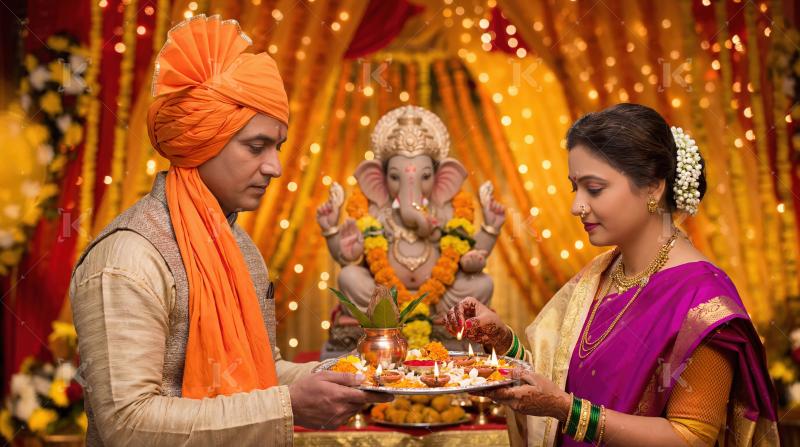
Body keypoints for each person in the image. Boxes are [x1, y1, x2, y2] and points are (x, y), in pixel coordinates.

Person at [69, 14, 389, 446]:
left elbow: (261, 371)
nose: (274, 167)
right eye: (256, 146)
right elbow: (127, 424)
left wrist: (345, 374)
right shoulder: (129, 258)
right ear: (201, 141)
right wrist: (288, 404)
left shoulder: (237, 244)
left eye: (276, 147)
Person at [445, 103, 778, 446]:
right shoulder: (601, 274)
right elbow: (560, 380)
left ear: (653, 187)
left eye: (594, 188)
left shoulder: (704, 301)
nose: (577, 206)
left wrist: (567, 411)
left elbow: (690, 438)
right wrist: (504, 343)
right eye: (575, 187)